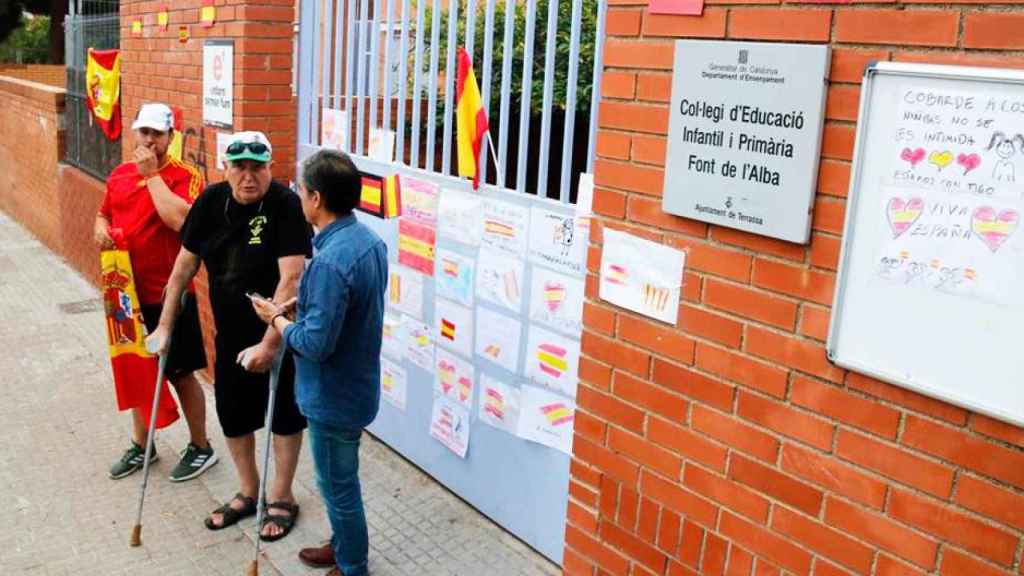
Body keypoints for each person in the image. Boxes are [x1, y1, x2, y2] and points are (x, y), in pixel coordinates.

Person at [146, 131, 311, 541]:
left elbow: (292, 278)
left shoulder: (286, 205)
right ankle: (248, 491)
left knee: (285, 416)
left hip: (281, 332)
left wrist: (270, 345)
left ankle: (282, 496)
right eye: (240, 167)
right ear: (226, 167)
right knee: (234, 415)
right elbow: (183, 267)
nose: (249, 176)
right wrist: (164, 326)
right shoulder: (210, 201)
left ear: (271, 168)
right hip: (230, 332)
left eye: (258, 167)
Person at [251, 150, 387, 576]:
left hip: (332, 395)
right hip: (358, 386)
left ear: (316, 198)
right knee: (341, 481)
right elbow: (346, 307)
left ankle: (351, 566)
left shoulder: (328, 261)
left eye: (301, 190)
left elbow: (316, 343)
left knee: (338, 486)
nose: (298, 196)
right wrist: (299, 303)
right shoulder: (367, 241)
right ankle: (344, 543)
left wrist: (275, 318)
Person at [94, 102, 217, 483]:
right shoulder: (118, 175)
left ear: (170, 137)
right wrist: (99, 227)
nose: (149, 140)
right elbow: (105, 211)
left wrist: (151, 177)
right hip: (126, 295)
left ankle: (201, 446)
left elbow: (180, 221)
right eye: (143, 132)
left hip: (168, 294)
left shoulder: (186, 176)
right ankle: (142, 443)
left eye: (157, 134)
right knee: (136, 369)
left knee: (180, 373)